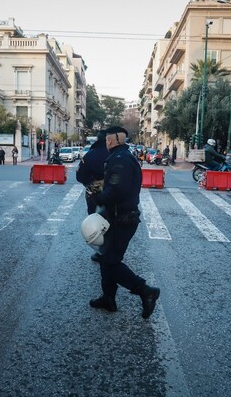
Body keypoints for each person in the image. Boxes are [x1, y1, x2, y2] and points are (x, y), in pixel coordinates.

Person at [89, 126, 160, 319]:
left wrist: (99, 197)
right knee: (106, 259)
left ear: (110, 141)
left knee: (111, 262)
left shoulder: (120, 160)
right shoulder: (123, 156)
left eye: (106, 140)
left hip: (122, 219)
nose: (106, 143)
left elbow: (116, 190)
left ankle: (145, 290)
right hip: (118, 217)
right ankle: (108, 298)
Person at [76, 129, 111, 263]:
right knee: (112, 220)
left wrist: (90, 183)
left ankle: (101, 251)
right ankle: (112, 248)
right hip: (113, 193)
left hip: (94, 193)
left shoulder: (90, 154)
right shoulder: (116, 154)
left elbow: (79, 176)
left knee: (96, 221)